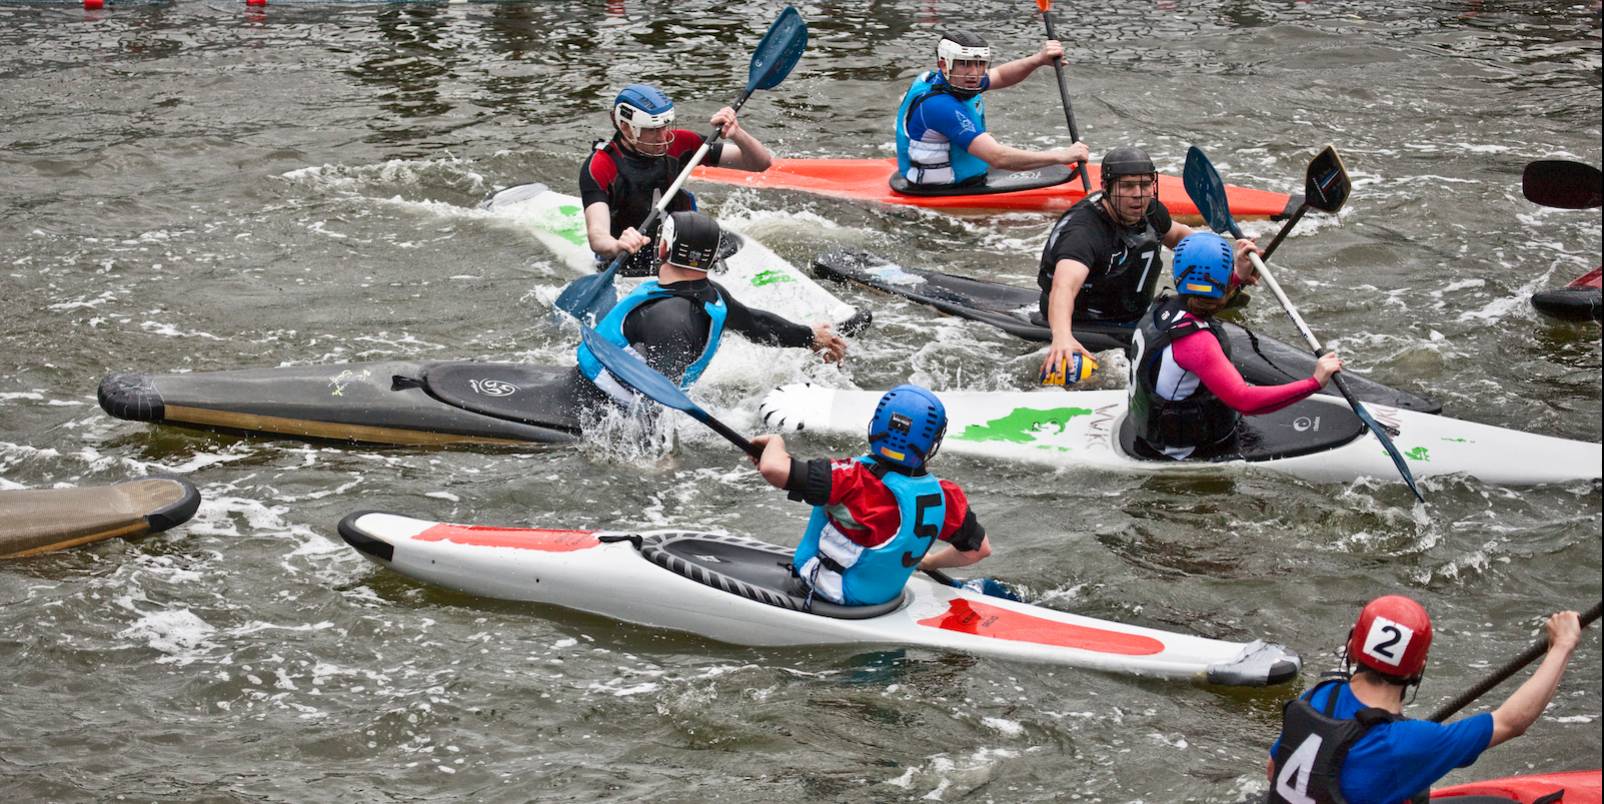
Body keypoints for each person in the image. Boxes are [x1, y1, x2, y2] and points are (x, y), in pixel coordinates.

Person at [1266, 595, 1583, 804]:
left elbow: (1272, 769)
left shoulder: (1320, 695)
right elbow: (1511, 721)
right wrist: (1562, 645)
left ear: (1352, 648)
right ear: (1419, 667)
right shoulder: (1407, 743)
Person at [748, 384, 992, 607]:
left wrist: (775, 443)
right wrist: (928, 562)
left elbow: (773, 468)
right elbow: (978, 550)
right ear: (931, 444)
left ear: (876, 425)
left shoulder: (851, 479)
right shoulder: (946, 496)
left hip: (830, 592)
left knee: (827, 501)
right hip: (885, 596)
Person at [575, 210, 845, 406]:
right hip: (595, 389)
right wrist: (809, 337)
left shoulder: (667, 317)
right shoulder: (715, 296)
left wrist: (660, 458)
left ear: (663, 248)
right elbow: (757, 324)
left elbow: (658, 399)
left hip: (595, 404)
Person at [1037, 146, 1258, 379]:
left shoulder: (1150, 212)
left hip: (1135, 313)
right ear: (1107, 188)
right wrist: (1062, 337)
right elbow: (1064, 287)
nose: (1138, 194)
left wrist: (1231, 263)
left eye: (1144, 185)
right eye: (1128, 186)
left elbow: (1182, 238)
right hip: (1092, 322)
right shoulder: (1084, 232)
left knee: (1213, 297)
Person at [1125, 232, 1339, 460]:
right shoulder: (1195, 341)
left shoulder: (1162, 305)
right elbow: (1244, 400)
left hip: (1150, 428)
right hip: (1184, 450)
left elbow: (1205, 295)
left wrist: (1237, 276)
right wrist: (1314, 382)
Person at [580, 84, 773, 276]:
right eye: (653, 130)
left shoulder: (680, 142)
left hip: (684, 248)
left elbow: (760, 163)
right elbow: (598, 237)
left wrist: (737, 134)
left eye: (665, 127)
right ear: (625, 127)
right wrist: (617, 245)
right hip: (633, 261)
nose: (663, 137)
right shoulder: (601, 166)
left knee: (726, 240)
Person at [895, 30, 1090, 188]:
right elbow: (998, 158)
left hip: (958, 176)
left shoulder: (940, 78)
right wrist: (1063, 156)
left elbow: (1001, 75)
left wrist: (1038, 60)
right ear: (944, 65)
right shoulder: (940, 106)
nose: (974, 73)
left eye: (979, 64)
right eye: (965, 64)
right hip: (945, 188)